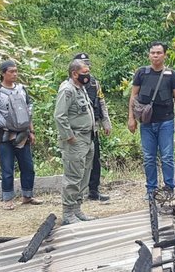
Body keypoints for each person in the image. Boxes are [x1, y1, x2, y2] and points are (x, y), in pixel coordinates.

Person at [128, 42, 175, 198]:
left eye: (159, 53)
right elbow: (133, 97)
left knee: (167, 156)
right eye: (152, 52)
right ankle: (151, 189)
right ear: (149, 55)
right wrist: (131, 118)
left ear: (165, 55)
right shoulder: (141, 73)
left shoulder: (171, 75)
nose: (155, 55)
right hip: (146, 123)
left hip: (166, 122)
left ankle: (169, 188)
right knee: (148, 157)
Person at [0, 60, 43, 210]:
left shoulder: (22, 89)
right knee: (7, 168)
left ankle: (27, 195)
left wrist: (31, 131)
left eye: (16, 71)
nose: (14, 74)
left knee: (28, 166)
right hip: (4, 135)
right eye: (11, 71)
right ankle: (7, 199)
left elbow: (28, 111)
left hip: (23, 134)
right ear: (3, 73)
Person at [54, 59, 97, 224]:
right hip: (75, 140)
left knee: (84, 176)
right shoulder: (67, 90)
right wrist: (69, 136)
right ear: (74, 73)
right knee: (73, 177)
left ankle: (77, 209)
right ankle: (68, 213)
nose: (87, 76)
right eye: (84, 73)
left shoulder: (81, 88)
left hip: (87, 138)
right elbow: (60, 116)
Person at [73, 53, 112, 202]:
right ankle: (77, 193)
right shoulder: (69, 85)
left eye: (87, 64)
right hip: (77, 129)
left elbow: (101, 102)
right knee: (78, 161)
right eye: (83, 64)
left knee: (95, 160)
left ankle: (94, 190)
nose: (86, 66)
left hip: (93, 127)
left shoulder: (95, 83)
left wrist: (106, 123)